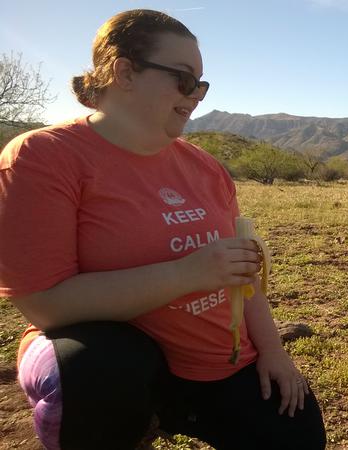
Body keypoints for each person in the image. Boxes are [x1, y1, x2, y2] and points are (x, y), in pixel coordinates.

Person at [0, 9, 325, 450]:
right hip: (120, 365)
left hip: (215, 362)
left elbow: (242, 275)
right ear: (124, 72)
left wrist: (272, 350)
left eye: (202, 85)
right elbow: (43, 304)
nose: (195, 96)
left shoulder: (206, 168)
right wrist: (187, 274)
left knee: (296, 429)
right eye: (184, 79)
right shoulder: (43, 158)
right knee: (88, 371)